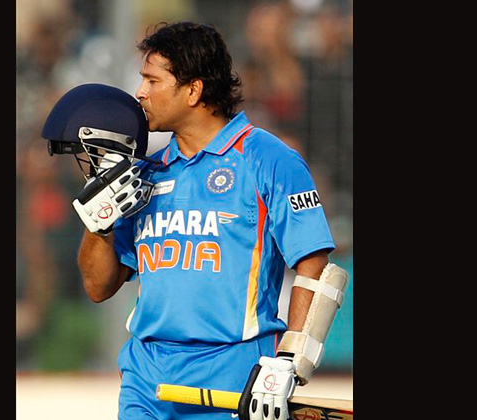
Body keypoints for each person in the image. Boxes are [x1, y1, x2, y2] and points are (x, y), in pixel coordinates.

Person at [56, 22, 347, 420]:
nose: (140, 93)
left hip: (232, 374)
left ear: (193, 90)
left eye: (152, 80)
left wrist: (290, 361)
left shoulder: (267, 158)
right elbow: (97, 287)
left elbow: (314, 265)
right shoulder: (144, 173)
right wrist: (99, 224)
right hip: (146, 374)